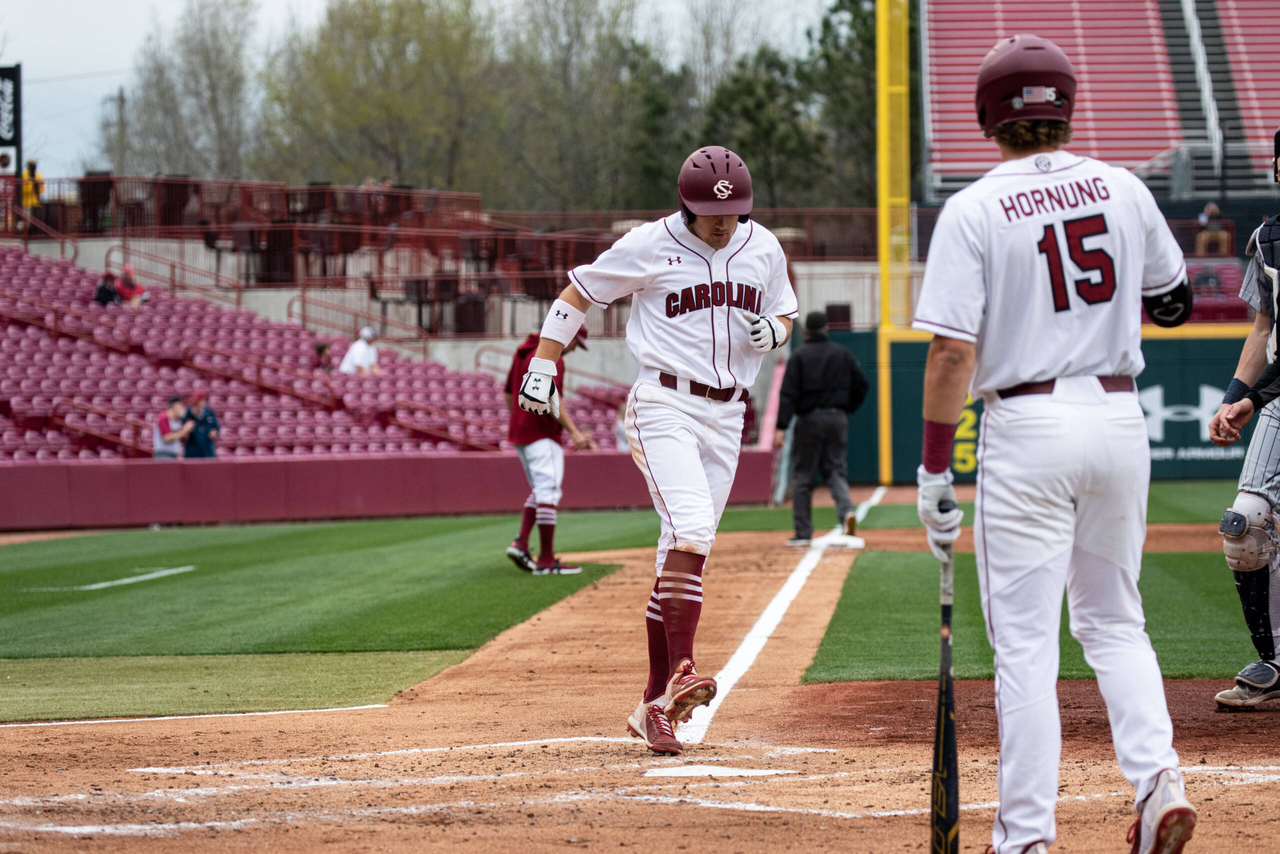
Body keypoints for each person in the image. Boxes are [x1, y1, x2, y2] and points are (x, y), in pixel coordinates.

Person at [912, 35, 1196, 854]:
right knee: (1114, 621)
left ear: (987, 116)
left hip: (1027, 425)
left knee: (1027, 646)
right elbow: (1172, 301)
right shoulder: (1122, 185)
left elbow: (951, 354)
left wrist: (936, 467)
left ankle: (1027, 837)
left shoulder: (973, 207)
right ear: (1066, 107)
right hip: (1115, 416)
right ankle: (1158, 784)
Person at [517, 145, 797, 756]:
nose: (722, 221)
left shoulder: (764, 247)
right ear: (685, 203)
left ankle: (652, 709)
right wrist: (544, 361)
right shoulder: (651, 243)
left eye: (732, 211)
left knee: (682, 547)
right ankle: (682, 670)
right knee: (692, 528)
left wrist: (774, 330)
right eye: (709, 211)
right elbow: (579, 291)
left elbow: (785, 312)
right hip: (664, 403)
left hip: (728, 414)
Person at [1206, 214, 1280, 710]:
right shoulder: (1268, 238)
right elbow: (1264, 327)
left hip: (1271, 393)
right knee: (1245, 524)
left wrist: (1252, 399)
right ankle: (1274, 661)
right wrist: (1233, 397)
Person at [504, 324, 593, 575]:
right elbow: (554, 399)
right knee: (548, 492)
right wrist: (575, 433)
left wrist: (518, 421)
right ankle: (545, 560)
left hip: (521, 434)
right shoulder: (553, 358)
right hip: (542, 434)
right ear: (569, 336)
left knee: (542, 490)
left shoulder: (523, 352)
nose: (575, 349)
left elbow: (509, 393)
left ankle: (521, 543)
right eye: (577, 343)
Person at [774, 310, 868, 545]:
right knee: (835, 471)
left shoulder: (799, 356)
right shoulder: (842, 354)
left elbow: (787, 394)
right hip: (837, 418)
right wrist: (846, 406)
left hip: (809, 420)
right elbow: (862, 384)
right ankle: (847, 512)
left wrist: (781, 427)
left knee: (804, 476)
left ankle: (803, 532)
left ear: (805, 331)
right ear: (826, 329)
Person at [182, 390, 220, 458]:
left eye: (197, 403)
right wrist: (186, 430)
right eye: (193, 403)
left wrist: (214, 432)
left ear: (202, 402)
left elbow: (216, 428)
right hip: (192, 454)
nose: (194, 406)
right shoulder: (187, 415)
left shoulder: (209, 413)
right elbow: (183, 438)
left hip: (208, 452)